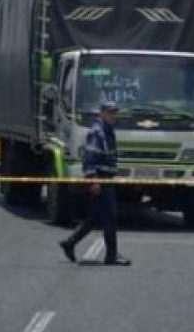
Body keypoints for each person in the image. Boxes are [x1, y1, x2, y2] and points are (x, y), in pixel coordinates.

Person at [59, 101, 131, 266]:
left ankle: (69, 243)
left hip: (106, 178)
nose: (114, 115)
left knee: (93, 218)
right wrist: (94, 180)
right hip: (101, 179)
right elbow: (89, 158)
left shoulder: (107, 130)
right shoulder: (97, 132)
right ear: (102, 113)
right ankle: (111, 256)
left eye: (115, 112)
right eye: (110, 112)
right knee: (110, 218)